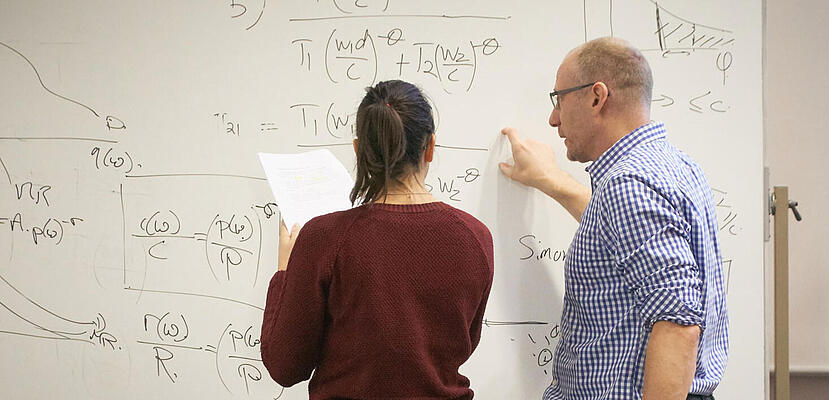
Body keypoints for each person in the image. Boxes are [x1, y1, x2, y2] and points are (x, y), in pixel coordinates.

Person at [498, 37, 728, 400]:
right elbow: (620, 239)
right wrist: (553, 181)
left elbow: (677, 323)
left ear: (596, 96)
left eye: (559, 99)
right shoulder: (676, 166)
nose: (553, 118)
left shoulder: (628, 184)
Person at [261, 80, 494, 399]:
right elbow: (461, 343)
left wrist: (285, 272)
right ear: (430, 147)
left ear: (359, 150)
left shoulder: (324, 238)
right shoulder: (476, 237)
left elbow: (285, 366)